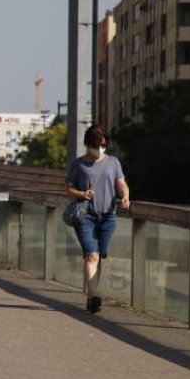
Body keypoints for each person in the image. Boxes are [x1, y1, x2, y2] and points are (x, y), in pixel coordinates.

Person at [65, 124, 130, 314]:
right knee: (91, 255)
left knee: (99, 255)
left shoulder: (113, 163)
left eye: (102, 145)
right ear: (88, 144)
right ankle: (92, 297)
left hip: (108, 216)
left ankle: (92, 295)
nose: (99, 149)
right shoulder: (78, 164)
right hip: (85, 215)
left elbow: (121, 184)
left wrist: (125, 196)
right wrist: (82, 193)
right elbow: (68, 189)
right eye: (96, 145)